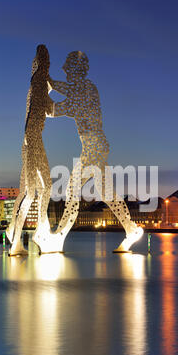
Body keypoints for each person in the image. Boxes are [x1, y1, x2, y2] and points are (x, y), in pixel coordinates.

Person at [48, 51, 143, 252]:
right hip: (96, 146)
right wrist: (50, 83)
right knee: (107, 193)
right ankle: (131, 228)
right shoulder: (85, 87)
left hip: (93, 147)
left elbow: (59, 108)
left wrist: (43, 98)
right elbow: (67, 90)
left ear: (75, 69)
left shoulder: (85, 89)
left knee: (72, 189)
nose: (64, 69)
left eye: (67, 66)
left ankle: (59, 235)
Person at [6, 45, 55, 255]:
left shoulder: (33, 83)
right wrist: (73, 106)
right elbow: (50, 109)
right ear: (45, 63)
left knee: (27, 191)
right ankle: (35, 233)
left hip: (27, 142)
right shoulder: (40, 84)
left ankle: (14, 234)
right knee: (42, 189)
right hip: (34, 139)